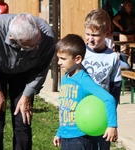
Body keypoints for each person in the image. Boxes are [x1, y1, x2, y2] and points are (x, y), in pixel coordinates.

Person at [0, 13, 55, 150]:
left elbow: (42, 68)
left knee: (23, 120)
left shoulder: (48, 36)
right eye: (30, 46)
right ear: (13, 39)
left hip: (26, 75)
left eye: (37, 43)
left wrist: (27, 95)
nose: (36, 47)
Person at [53, 34, 118, 150]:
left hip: (80, 138)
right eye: (58, 58)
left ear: (77, 59)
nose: (59, 62)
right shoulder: (65, 78)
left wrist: (112, 125)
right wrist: (59, 132)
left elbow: (109, 99)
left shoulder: (84, 80)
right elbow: (65, 109)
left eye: (63, 59)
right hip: (66, 136)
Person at [82, 9, 122, 150]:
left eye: (95, 35)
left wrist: (111, 121)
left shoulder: (112, 58)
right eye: (87, 34)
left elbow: (116, 89)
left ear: (107, 34)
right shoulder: (80, 53)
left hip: (101, 115)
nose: (90, 39)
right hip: (80, 113)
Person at [113, 0, 135, 65]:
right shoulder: (122, 14)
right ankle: (125, 65)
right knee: (124, 50)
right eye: (128, 6)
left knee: (131, 50)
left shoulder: (133, 14)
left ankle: (130, 64)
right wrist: (120, 26)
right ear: (125, 7)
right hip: (124, 34)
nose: (129, 7)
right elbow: (114, 20)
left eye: (130, 5)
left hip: (132, 34)